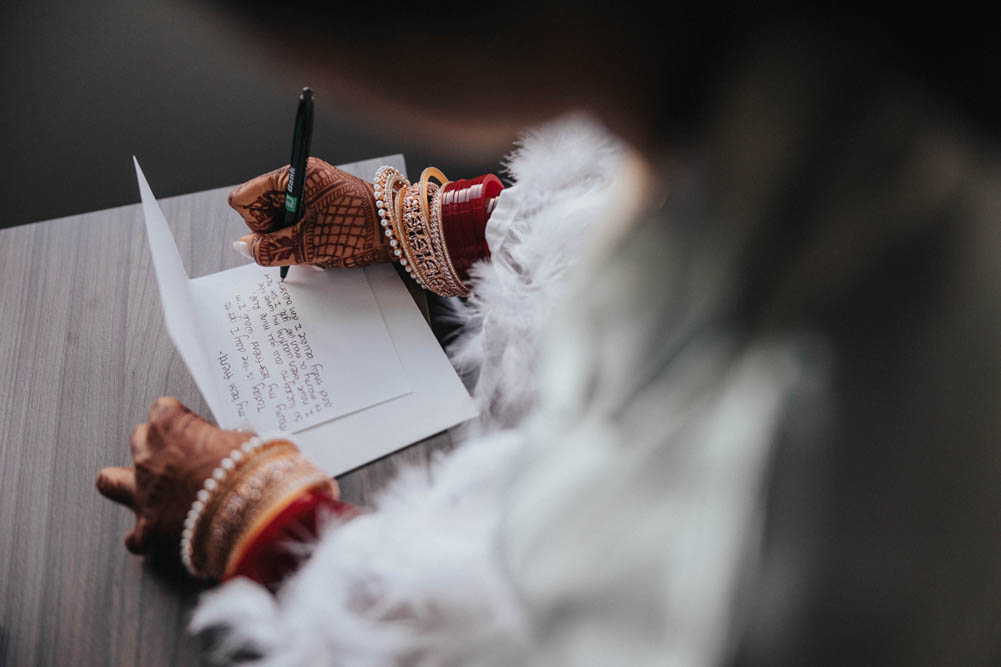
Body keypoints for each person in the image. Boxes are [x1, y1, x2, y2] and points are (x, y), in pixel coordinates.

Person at [97, 6, 1001, 665]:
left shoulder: (823, 410)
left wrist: (264, 518)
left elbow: (592, 632)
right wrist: (420, 223)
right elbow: (602, 197)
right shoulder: (800, 70)